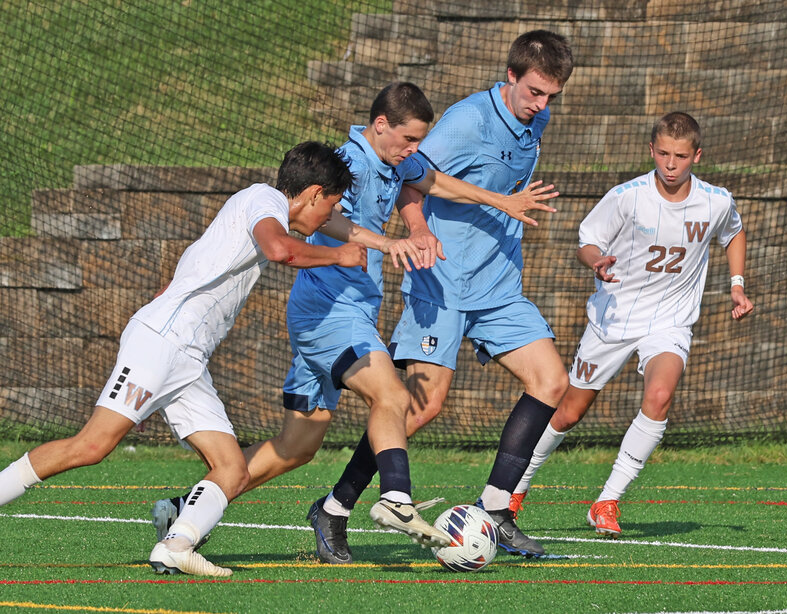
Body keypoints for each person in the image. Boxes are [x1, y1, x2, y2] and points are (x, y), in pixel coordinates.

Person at [150, 82, 561, 560]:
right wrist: (385, 243)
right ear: (380, 126)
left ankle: (187, 509)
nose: (414, 151)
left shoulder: (394, 159)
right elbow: (322, 219)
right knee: (391, 394)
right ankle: (397, 500)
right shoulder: (349, 164)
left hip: (345, 310)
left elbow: (430, 180)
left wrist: (493, 202)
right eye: (408, 141)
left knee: (295, 447)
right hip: (331, 310)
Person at [0, 141, 429, 577]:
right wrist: (338, 255)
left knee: (232, 469)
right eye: (331, 205)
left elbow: (335, 228)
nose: (328, 219)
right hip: (165, 343)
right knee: (91, 446)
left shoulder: (274, 206)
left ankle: (177, 544)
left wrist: (384, 243)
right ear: (314, 193)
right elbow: (281, 249)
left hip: (186, 358)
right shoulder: (262, 200)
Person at [310, 30, 575, 562]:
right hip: (444, 280)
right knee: (421, 406)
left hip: (499, 282)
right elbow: (413, 179)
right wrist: (419, 232)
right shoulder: (467, 121)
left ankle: (497, 510)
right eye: (535, 93)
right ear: (510, 78)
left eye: (552, 96)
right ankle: (335, 508)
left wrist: (508, 204)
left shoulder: (536, 119)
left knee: (552, 381)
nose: (543, 106)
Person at [509, 111, 754, 538]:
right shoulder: (627, 196)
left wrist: (737, 285)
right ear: (651, 151)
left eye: (680, 155)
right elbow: (588, 240)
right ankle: (515, 488)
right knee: (569, 412)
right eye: (663, 153)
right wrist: (596, 262)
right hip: (615, 318)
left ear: (696, 154)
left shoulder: (716, 200)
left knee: (660, 395)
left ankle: (607, 501)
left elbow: (733, 232)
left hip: (671, 322)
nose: (671, 164)